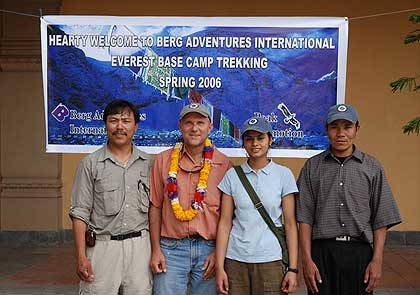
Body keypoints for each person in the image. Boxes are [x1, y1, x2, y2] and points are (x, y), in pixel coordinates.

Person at [296, 104, 402, 295]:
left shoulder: (372, 167)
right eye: (335, 126)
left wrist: (377, 260)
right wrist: (307, 260)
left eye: (347, 126)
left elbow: (381, 218)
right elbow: (305, 217)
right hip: (322, 254)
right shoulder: (313, 167)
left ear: (357, 129)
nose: (341, 133)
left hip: (359, 254)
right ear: (327, 129)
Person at [69, 99, 153, 295]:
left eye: (126, 121)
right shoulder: (90, 164)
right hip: (102, 248)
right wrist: (81, 257)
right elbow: (80, 213)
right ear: (106, 125)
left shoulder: (149, 164)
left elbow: (157, 210)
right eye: (113, 120)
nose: (119, 126)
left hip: (140, 247)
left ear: (136, 126)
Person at [149, 103, 232, 295]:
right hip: (170, 249)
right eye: (189, 123)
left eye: (200, 123)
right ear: (180, 126)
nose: (194, 128)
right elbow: (155, 207)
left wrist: (218, 254)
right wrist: (156, 250)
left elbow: (229, 216)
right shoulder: (163, 161)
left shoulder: (223, 164)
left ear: (210, 127)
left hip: (208, 250)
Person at [215, 116, 299, 295]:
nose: (255, 144)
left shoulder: (284, 175)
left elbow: (291, 224)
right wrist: (220, 266)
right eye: (249, 139)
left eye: (260, 138)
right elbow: (224, 223)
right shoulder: (232, 176)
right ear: (243, 143)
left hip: (271, 260)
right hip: (235, 259)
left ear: (270, 140)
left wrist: (293, 269)